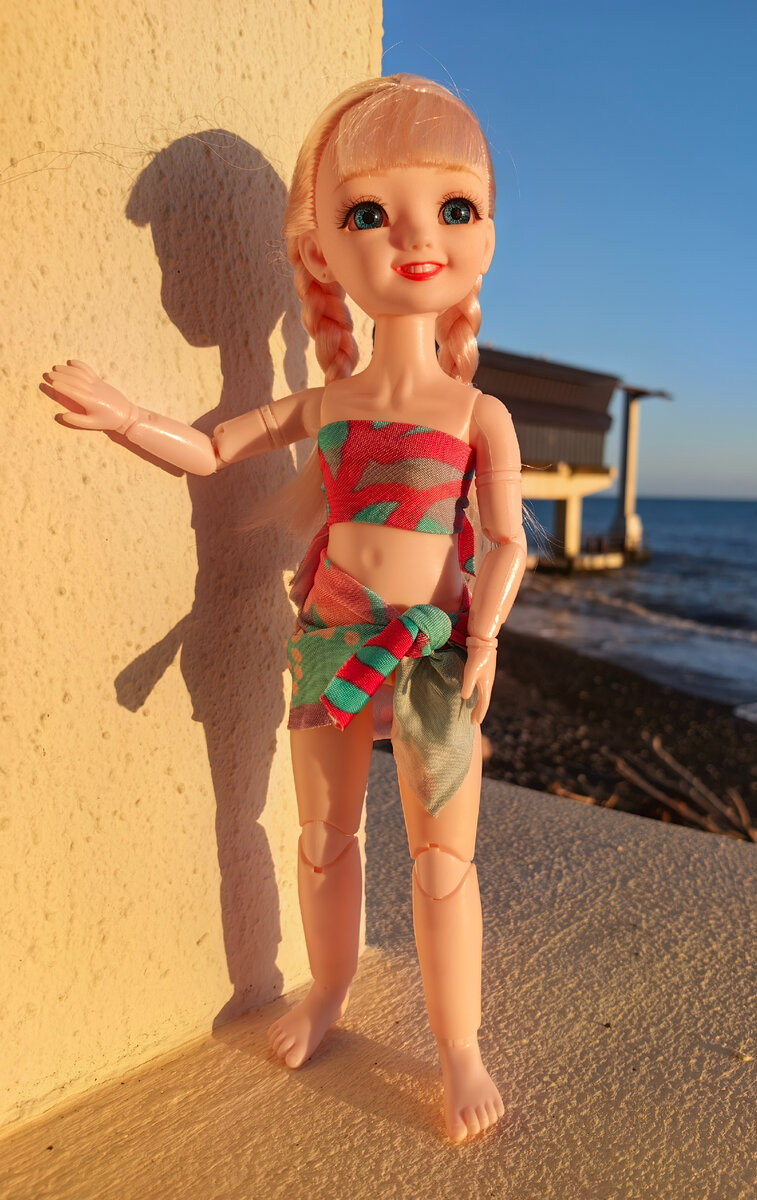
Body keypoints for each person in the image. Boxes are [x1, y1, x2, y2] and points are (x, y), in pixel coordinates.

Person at [44, 74, 526, 1143]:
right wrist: (125, 417)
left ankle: (459, 1048)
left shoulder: (478, 413)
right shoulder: (327, 402)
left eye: (455, 206)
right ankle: (326, 991)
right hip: (332, 640)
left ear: (487, 232)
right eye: (370, 213)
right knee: (319, 835)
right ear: (321, 251)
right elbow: (214, 448)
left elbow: (506, 542)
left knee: (445, 861)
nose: (418, 236)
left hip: (435, 653)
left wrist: (487, 633)